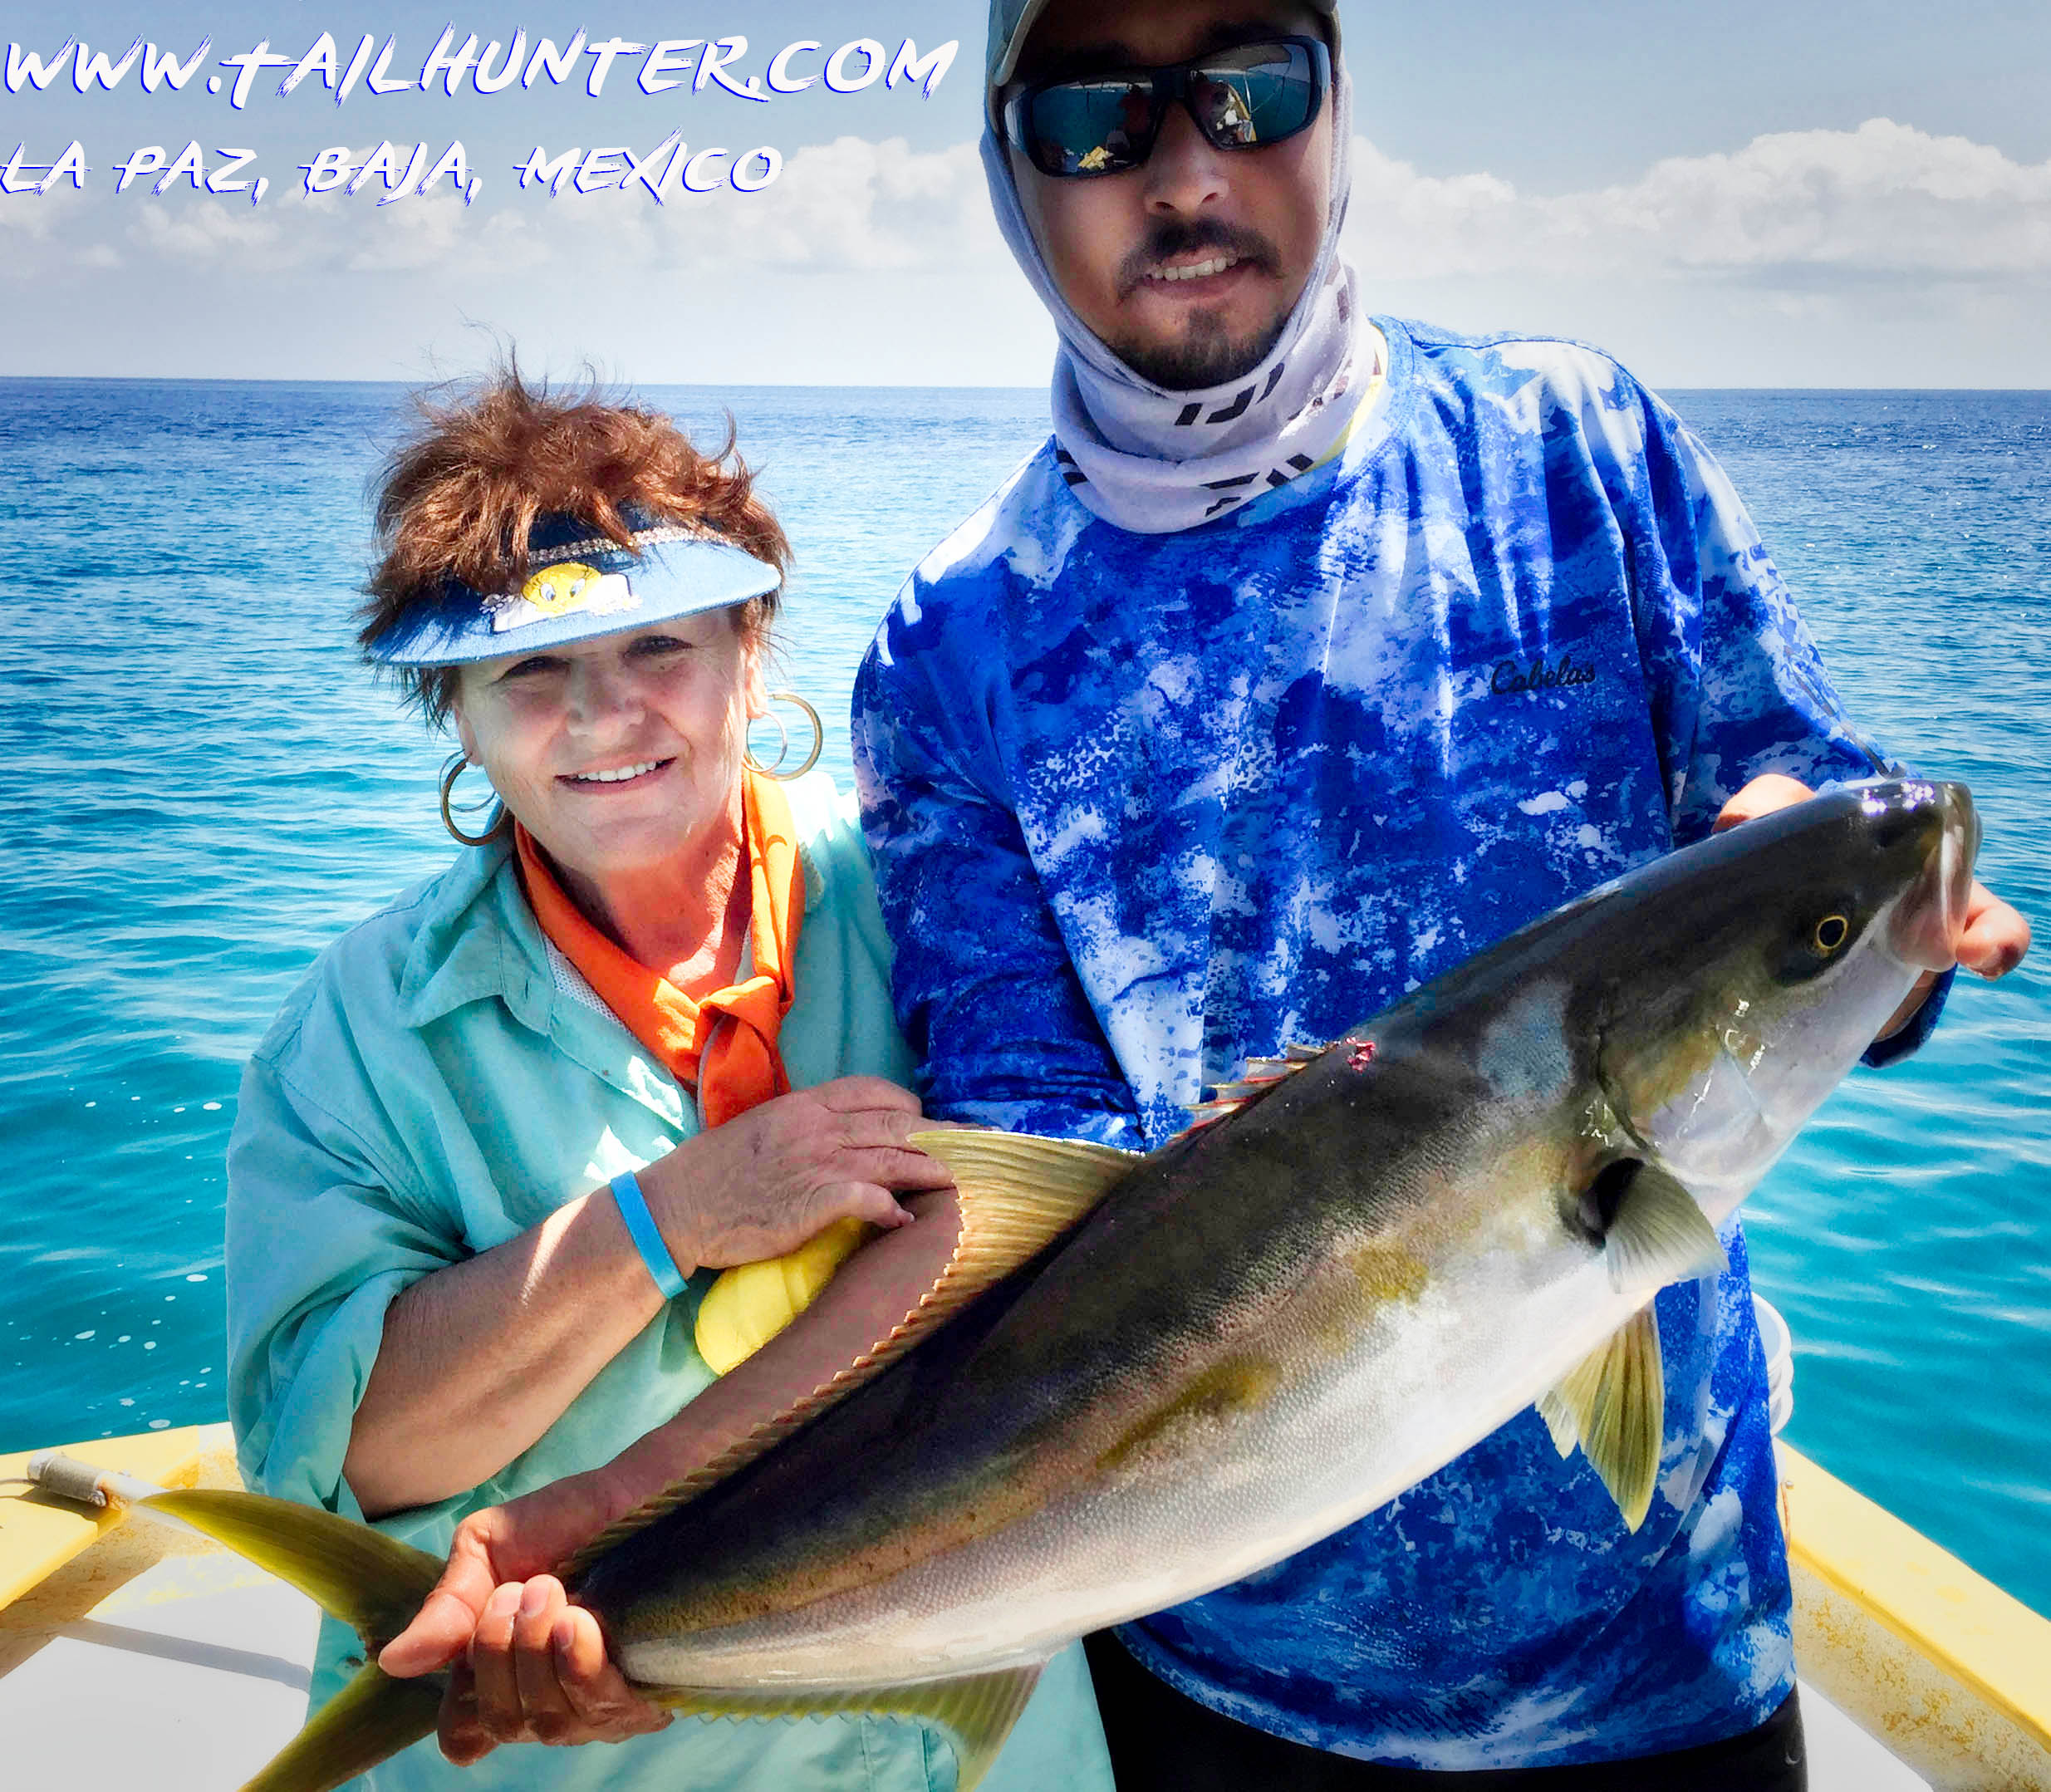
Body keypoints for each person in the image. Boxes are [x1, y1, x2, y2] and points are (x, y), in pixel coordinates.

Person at [850, 2, 2033, 1787]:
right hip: (1220, 1679)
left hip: (1672, 1653)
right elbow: (1030, 1156)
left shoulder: (1573, 449)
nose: (1185, 169)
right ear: (1008, 171)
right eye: (1093, 117)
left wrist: (1896, 957)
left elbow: (1809, 859)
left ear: (1335, 110)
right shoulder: (953, 646)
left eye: (1251, 89)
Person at [225, 373, 1112, 1791]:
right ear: (456, 714)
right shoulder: (357, 1031)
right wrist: (666, 1219)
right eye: (527, 670)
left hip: (990, 1749)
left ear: (749, 654)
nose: (603, 712)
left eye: (658, 645)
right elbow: (342, 1458)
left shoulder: (944, 897)